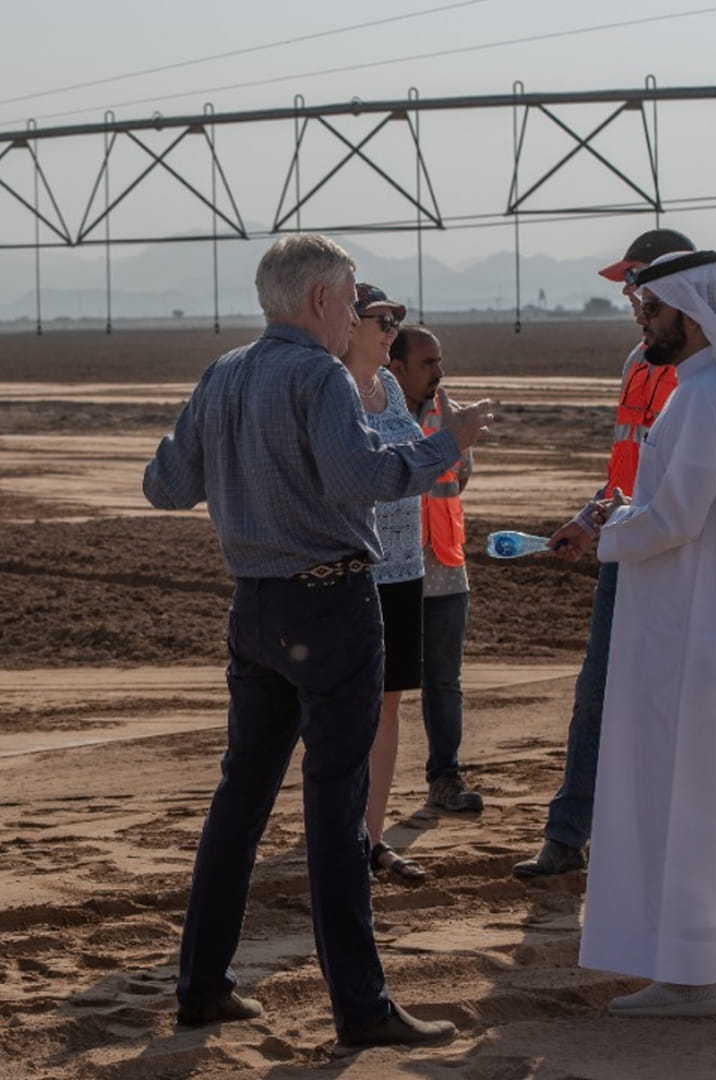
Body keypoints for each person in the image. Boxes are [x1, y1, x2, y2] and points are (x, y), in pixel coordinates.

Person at [143, 233, 494, 1049]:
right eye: (350, 298)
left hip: (256, 609)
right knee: (335, 812)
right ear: (319, 302)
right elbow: (363, 478)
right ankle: (362, 1008)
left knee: (241, 800)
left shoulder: (225, 372)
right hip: (330, 606)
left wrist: (236, 463)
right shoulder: (319, 374)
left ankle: (201, 985)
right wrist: (449, 443)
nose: (357, 317)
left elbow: (165, 484)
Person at [577, 250, 716, 1016]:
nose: (643, 322)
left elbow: (677, 518)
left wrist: (607, 532)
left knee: (684, 793)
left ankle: (690, 976)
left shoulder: (703, 395)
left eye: (652, 309)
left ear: (688, 307)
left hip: (687, 629)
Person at [512, 227, 697, 880]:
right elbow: (628, 465)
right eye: (626, 285)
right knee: (596, 694)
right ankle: (567, 840)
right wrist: (591, 518)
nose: (629, 294)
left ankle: (665, 846)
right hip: (624, 550)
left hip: (677, 560)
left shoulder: (703, 368)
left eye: (637, 282)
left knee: (670, 706)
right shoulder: (638, 361)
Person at [339, 284, 429, 884]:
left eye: (398, 319)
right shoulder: (330, 388)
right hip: (354, 569)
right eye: (382, 319)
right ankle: (336, 835)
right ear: (348, 325)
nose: (392, 329)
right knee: (341, 711)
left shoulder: (390, 386)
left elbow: (413, 458)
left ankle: (371, 838)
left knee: (389, 707)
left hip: (405, 569)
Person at [385, 326, 484, 817]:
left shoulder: (451, 413)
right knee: (382, 689)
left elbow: (460, 474)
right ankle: (360, 793)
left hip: (444, 568)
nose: (439, 372)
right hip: (389, 572)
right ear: (395, 367)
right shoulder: (374, 412)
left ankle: (444, 778)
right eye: (428, 363)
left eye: (440, 361)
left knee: (445, 681)